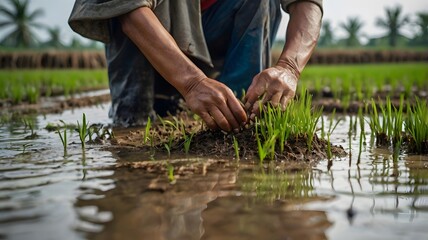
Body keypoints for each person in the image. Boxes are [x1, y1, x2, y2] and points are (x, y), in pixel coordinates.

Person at [69, 0, 323, 131]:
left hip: (210, 32)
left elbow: (308, 4)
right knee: (132, 125)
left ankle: (239, 117)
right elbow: (128, 9)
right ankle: (133, 114)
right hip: (146, 38)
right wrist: (192, 83)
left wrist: (289, 67)